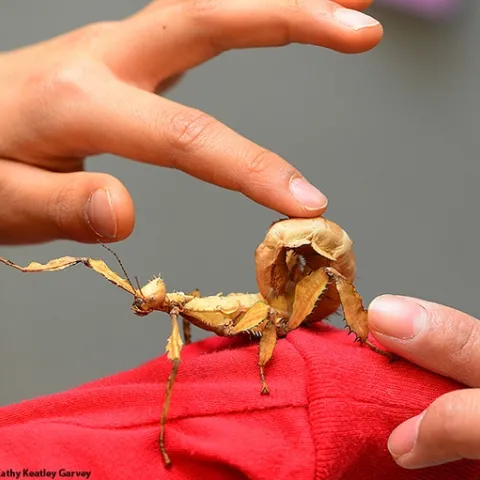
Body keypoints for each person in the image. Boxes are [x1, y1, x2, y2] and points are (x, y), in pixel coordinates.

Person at [0, 0, 478, 478]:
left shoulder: (290, 414)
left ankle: (365, 337)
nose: (145, 301)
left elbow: (270, 323)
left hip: (299, 301)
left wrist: (264, 369)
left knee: (288, 298)